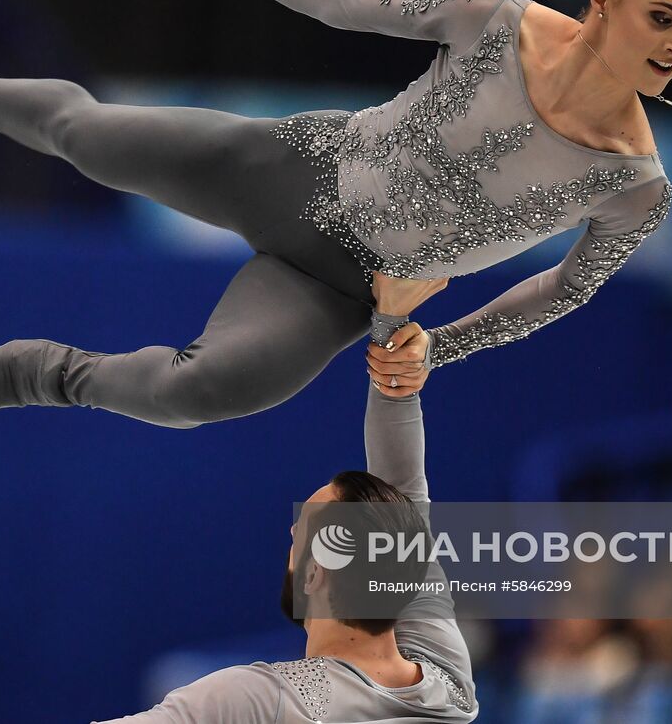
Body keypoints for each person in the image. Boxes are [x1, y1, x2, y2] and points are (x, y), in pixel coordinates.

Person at [0, 0, 672, 427]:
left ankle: (28, 374)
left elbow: (564, 287)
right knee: (85, 133)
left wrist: (444, 342)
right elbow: (354, 2)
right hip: (296, 167)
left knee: (197, 395)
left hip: (340, 289)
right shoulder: (492, 16)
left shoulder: (635, 184)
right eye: (663, 16)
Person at [90, 295, 478, 722]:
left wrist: (392, 315)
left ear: (315, 574)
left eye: (301, 529)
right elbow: (405, 493)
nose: (291, 534)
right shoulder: (445, 684)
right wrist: (390, 323)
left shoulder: (259, 700)